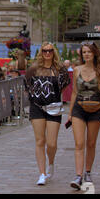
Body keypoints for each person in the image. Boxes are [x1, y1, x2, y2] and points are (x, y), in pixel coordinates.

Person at [25, 42, 70, 186]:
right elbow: (26, 84)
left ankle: (51, 162)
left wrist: (53, 98)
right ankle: (42, 173)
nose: (47, 53)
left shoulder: (60, 69)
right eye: (44, 51)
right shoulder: (33, 68)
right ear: (41, 53)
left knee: (51, 143)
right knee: (39, 141)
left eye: (50, 51)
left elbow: (63, 87)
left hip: (54, 107)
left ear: (54, 52)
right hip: (37, 107)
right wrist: (35, 97)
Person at [68, 41, 100, 190]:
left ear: (94, 54)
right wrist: (70, 113)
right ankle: (78, 176)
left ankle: (87, 172)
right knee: (79, 143)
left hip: (96, 108)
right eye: (84, 52)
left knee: (91, 143)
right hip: (79, 108)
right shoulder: (77, 70)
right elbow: (74, 92)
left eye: (89, 52)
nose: (86, 54)